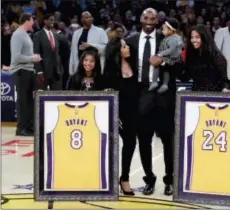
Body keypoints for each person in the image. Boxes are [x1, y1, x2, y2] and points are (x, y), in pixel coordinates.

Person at [126, 8, 175, 196]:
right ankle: (149, 179)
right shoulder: (130, 41)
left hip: (163, 98)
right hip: (141, 96)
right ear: (140, 19)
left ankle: (169, 179)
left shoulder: (167, 41)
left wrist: (162, 62)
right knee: (144, 141)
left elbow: (177, 66)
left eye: (152, 19)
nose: (149, 21)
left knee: (167, 141)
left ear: (157, 21)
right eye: (146, 18)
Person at [103, 37, 137, 196]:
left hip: (132, 112)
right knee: (109, 146)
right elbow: (107, 94)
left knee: (130, 143)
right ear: (118, 50)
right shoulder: (109, 69)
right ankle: (107, 178)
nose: (127, 47)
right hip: (116, 113)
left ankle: (124, 178)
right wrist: (114, 115)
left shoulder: (133, 63)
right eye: (124, 46)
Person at [9, 13, 42, 136]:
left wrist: (32, 59)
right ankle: (21, 128)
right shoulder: (17, 35)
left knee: (29, 101)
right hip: (21, 71)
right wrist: (32, 58)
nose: (34, 23)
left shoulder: (25, 35)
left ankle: (28, 127)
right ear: (27, 21)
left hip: (28, 71)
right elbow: (16, 57)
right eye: (32, 20)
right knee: (22, 101)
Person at [182, 24, 230, 92]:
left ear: (204, 38)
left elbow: (224, 80)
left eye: (197, 37)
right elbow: (185, 77)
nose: (193, 40)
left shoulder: (216, 56)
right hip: (195, 96)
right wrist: (177, 63)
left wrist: (224, 88)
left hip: (214, 96)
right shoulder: (192, 56)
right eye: (192, 37)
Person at [149, 18, 183, 93]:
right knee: (165, 70)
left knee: (158, 66)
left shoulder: (173, 40)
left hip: (170, 59)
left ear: (170, 30)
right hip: (168, 59)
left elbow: (170, 50)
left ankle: (155, 82)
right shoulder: (169, 38)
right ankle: (164, 84)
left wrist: (160, 54)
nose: (162, 31)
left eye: (164, 29)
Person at [69, 11, 108, 76]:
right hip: (79, 69)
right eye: (87, 17)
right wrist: (71, 70)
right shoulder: (76, 34)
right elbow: (73, 53)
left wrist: (90, 45)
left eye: (90, 17)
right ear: (82, 20)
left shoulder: (100, 31)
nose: (90, 19)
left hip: (95, 69)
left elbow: (105, 49)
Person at [33, 13, 62, 90]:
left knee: (55, 97)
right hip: (43, 71)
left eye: (53, 20)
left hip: (56, 71)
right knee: (42, 95)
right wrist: (39, 71)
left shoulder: (55, 35)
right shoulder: (38, 35)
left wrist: (59, 68)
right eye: (51, 20)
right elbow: (36, 54)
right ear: (45, 21)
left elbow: (57, 52)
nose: (53, 22)